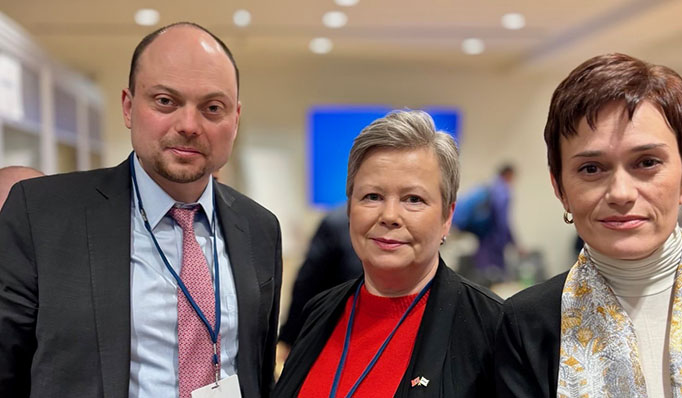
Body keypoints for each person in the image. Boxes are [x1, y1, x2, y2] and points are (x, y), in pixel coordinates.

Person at [0, 22, 282, 398]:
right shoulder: (41, 214)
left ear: (235, 118)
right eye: (165, 101)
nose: (188, 125)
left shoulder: (260, 228)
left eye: (212, 108)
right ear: (129, 107)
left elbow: (257, 373)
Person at [495, 53, 682, 397]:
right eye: (592, 168)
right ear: (560, 188)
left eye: (646, 162)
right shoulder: (527, 324)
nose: (621, 193)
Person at [273, 110, 503, 397]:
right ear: (349, 209)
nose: (389, 215)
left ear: (447, 216)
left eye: (413, 199)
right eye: (372, 196)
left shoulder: (492, 328)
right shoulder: (320, 312)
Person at [278, 203, 362, 350]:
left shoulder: (336, 222)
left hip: (338, 335)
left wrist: (290, 337)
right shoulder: (338, 223)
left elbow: (307, 284)